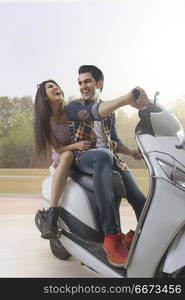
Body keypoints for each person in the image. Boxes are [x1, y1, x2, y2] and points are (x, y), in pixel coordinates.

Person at [65, 65, 149, 267]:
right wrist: (127, 99)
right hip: (83, 157)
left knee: (140, 199)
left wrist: (132, 152)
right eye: (80, 82)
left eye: (87, 81)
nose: (83, 86)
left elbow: (116, 142)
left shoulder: (110, 114)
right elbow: (92, 113)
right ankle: (111, 236)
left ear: (99, 83)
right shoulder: (74, 107)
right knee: (103, 155)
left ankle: (145, 237)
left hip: (109, 158)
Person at [34, 80, 92, 239]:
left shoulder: (72, 110)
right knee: (67, 154)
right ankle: (52, 213)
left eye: (57, 85)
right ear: (44, 97)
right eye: (50, 87)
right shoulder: (46, 122)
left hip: (81, 152)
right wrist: (76, 146)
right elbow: (58, 149)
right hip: (64, 154)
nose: (56, 87)